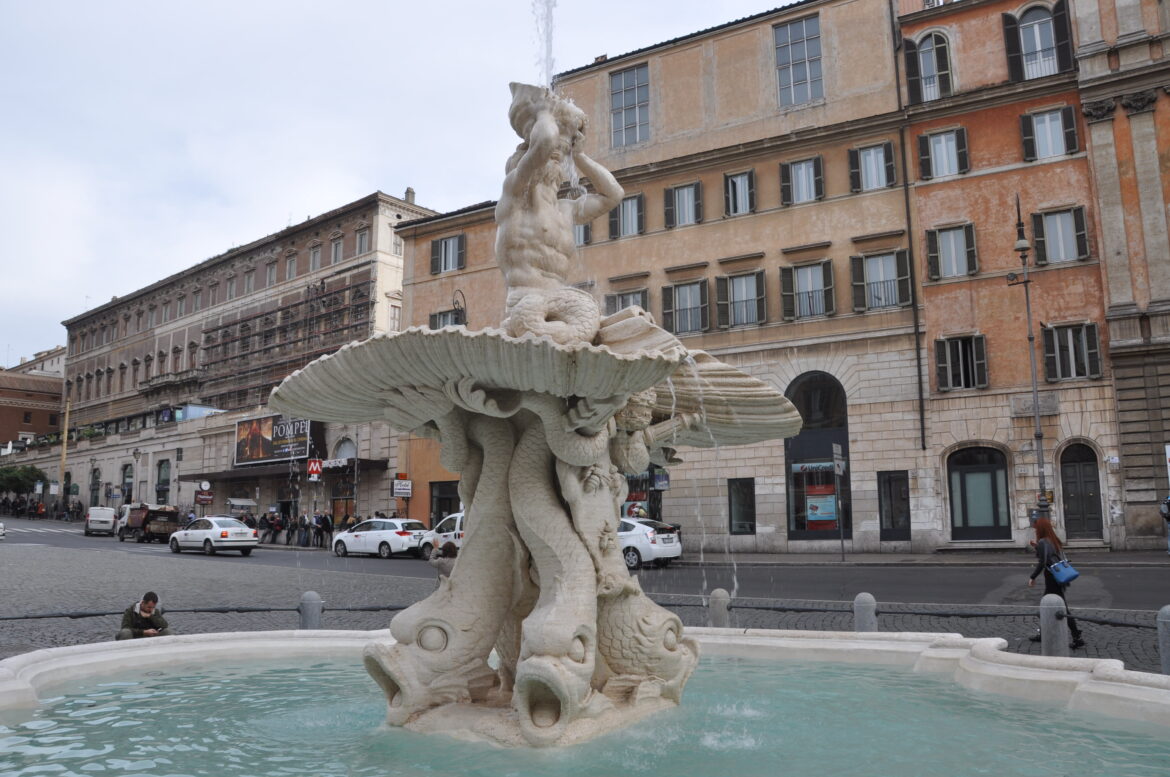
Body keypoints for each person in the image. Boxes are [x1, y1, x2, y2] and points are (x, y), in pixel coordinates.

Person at [1027, 517, 1085, 649]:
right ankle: (1046, 633)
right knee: (1050, 606)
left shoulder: (1043, 541)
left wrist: (1033, 577)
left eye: (1036, 528)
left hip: (1052, 578)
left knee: (1058, 608)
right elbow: (1050, 555)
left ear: (1040, 529)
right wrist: (1037, 547)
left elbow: (1043, 562)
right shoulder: (1053, 540)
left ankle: (1077, 636)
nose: (1035, 530)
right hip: (1057, 576)